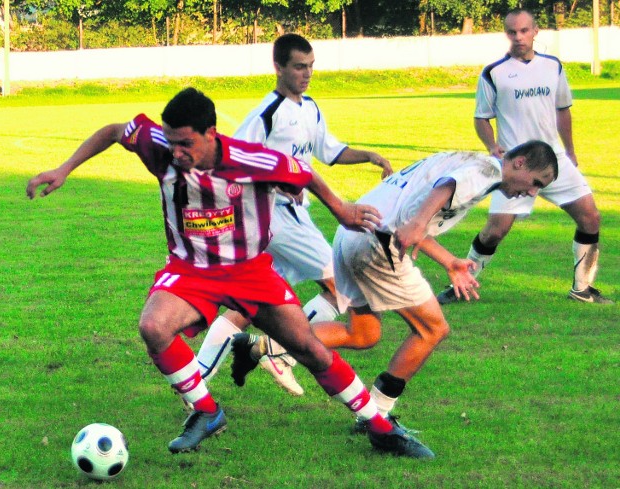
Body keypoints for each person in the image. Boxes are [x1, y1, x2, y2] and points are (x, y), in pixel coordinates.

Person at [26, 87, 430, 458]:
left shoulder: (251, 160)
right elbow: (116, 130)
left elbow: (302, 172)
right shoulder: (160, 149)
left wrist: (341, 208)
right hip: (190, 270)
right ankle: (207, 411)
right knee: (153, 326)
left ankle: (380, 427)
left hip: (249, 271)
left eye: (185, 143)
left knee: (309, 350)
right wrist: (64, 169)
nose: (176, 152)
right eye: (171, 142)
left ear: (211, 134)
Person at [245, 141, 555, 441]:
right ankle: (378, 413)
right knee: (432, 329)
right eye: (535, 182)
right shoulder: (487, 171)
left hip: (351, 236)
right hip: (378, 244)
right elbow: (445, 187)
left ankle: (272, 345)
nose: (532, 192)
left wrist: (448, 260)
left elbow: (411, 213)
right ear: (519, 162)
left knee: (363, 334)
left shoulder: (469, 161)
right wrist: (420, 224)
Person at [195, 33, 393, 396]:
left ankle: (196, 378)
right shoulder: (266, 116)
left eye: (311, 66)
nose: (307, 74)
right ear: (278, 67)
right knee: (340, 287)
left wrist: (371, 156)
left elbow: (331, 151)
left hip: (288, 217)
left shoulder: (311, 108)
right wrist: (275, 184)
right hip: (274, 217)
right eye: (299, 67)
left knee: (251, 301)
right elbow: (231, 160)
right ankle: (280, 353)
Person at [436, 8, 613, 305]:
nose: (518, 37)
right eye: (512, 32)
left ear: (535, 31)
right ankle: (461, 286)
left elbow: (563, 110)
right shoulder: (494, 72)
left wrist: (569, 151)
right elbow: (481, 117)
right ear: (506, 34)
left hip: (554, 160)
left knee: (590, 217)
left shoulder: (553, 67)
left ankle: (582, 289)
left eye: (524, 30)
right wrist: (493, 146)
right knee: (495, 232)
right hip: (518, 168)